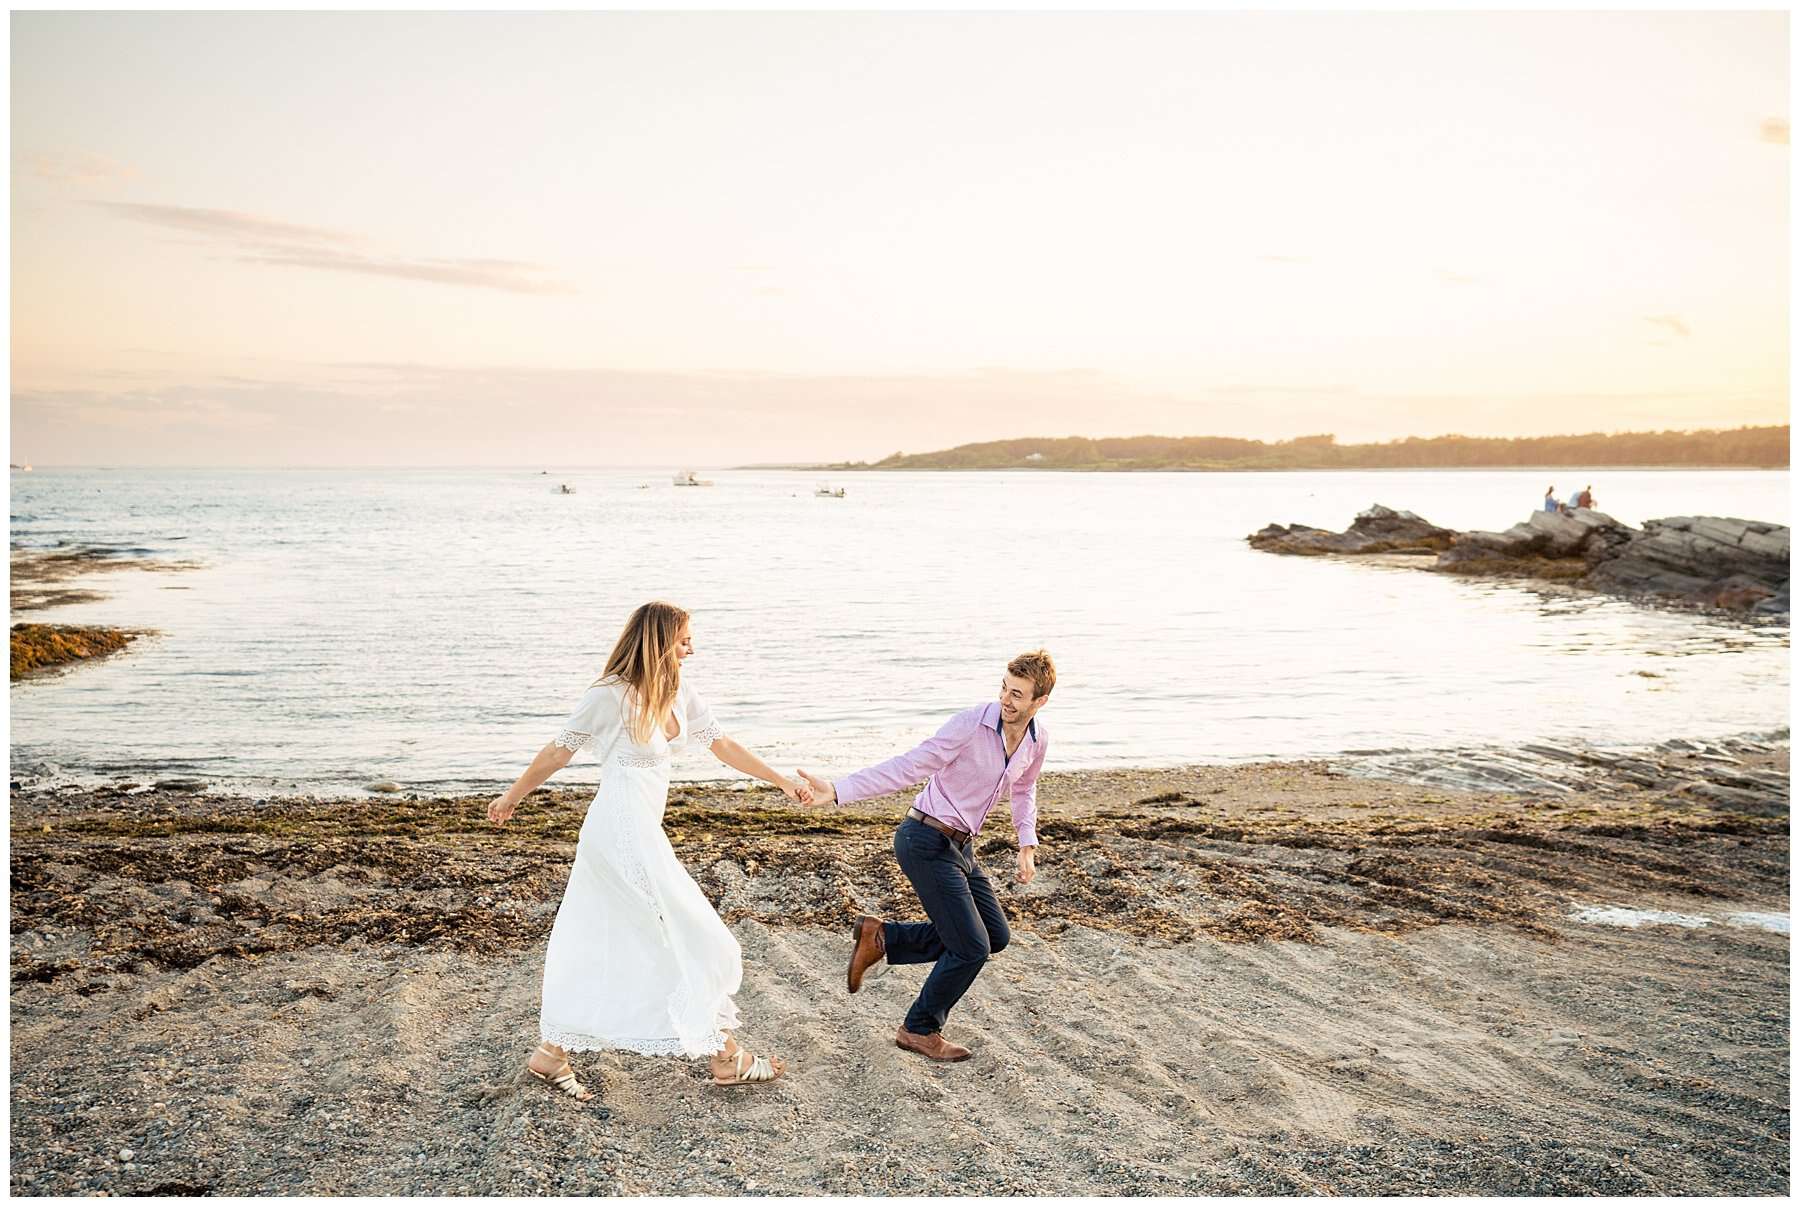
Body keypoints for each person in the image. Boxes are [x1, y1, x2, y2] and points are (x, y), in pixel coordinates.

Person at [487, 601, 813, 1100]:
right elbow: (558, 752)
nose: (692, 648)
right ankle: (725, 1057)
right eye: (684, 640)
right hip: (617, 833)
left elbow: (721, 744)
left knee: (613, 934)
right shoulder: (608, 696)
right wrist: (511, 798)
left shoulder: (678, 691)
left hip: (642, 832)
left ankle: (551, 1054)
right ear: (659, 641)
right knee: (682, 934)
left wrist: (781, 782)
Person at [798, 651, 1053, 1063]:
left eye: (1018, 695)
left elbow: (1024, 789)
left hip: (961, 847)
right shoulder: (971, 723)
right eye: (1004, 688)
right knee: (971, 948)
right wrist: (838, 790)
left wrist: (1027, 843)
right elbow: (910, 765)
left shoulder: (1037, 740)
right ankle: (919, 1029)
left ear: (1039, 701)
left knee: (995, 937)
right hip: (924, 839)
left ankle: (884, 939)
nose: (1006, 700)